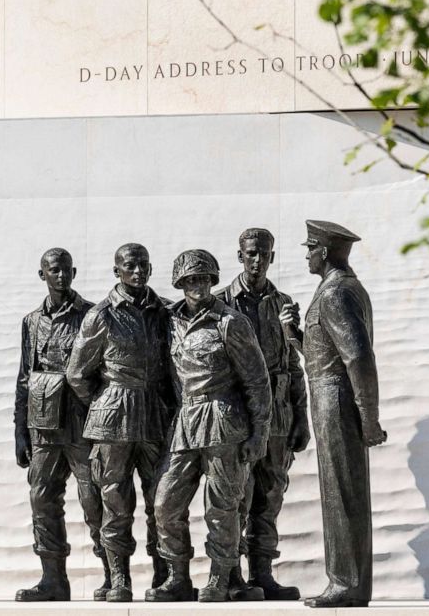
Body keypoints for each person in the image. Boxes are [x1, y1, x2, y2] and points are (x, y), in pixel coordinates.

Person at [148, 249, 272, 603]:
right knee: (165, 504)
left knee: (222, 506)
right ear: (180, 284)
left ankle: (220, 577)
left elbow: (257, 382)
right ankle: (177, 576)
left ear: (213, 280)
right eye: (189, 280)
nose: (197, 285)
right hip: (186, 421)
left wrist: (259, 432)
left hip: (223, 421)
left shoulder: (230, 322)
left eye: (203, 278)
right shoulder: (170, 320)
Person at [66, 243, 175, 602]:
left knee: (160, 497)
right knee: (114, 501)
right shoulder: (101, 315)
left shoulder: (164, 312)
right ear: (117, 271)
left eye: (144, 265)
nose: (139, 271)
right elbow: (78, 374)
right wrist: (105, 403)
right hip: (113, 415)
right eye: (131, 266)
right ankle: (118, 578)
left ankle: (163, 577)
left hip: (154, 414)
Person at [216, 228, 310, 601]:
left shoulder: (283, 303)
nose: (258, 260)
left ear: (272, 257)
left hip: (279, 416)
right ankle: (232, 576)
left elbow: (293, 364)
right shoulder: (220, 302)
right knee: (236, 495)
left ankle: (263, 574)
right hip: (237, 415)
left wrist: (301, 417)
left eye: (265, 254)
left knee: (270, 495)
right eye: (251, 253)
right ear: (239, 255)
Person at [300, 220, 386, 609]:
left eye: (310, 247)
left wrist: (369, 417)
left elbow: (358, 358)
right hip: (329, 392)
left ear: (324, 251)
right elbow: (330, 352)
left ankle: (347, 583)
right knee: (339, 487)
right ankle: (347, 581)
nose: (306, 254)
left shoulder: (335, 293)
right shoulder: (341, 289)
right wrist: (295, 338)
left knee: (342, 489)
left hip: (335, 397)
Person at [14, 248, 106, 601]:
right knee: (42, 499)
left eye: (66, 270)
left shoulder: (92, 315)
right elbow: (24, 377)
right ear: (43, 275)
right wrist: (20, 430)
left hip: (82, 423)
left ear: (75, 272)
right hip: (43, 426)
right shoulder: (31, 321)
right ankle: (53, 579)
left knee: (93, 497)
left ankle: (113, 575)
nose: (61, 276)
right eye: (54, 271)